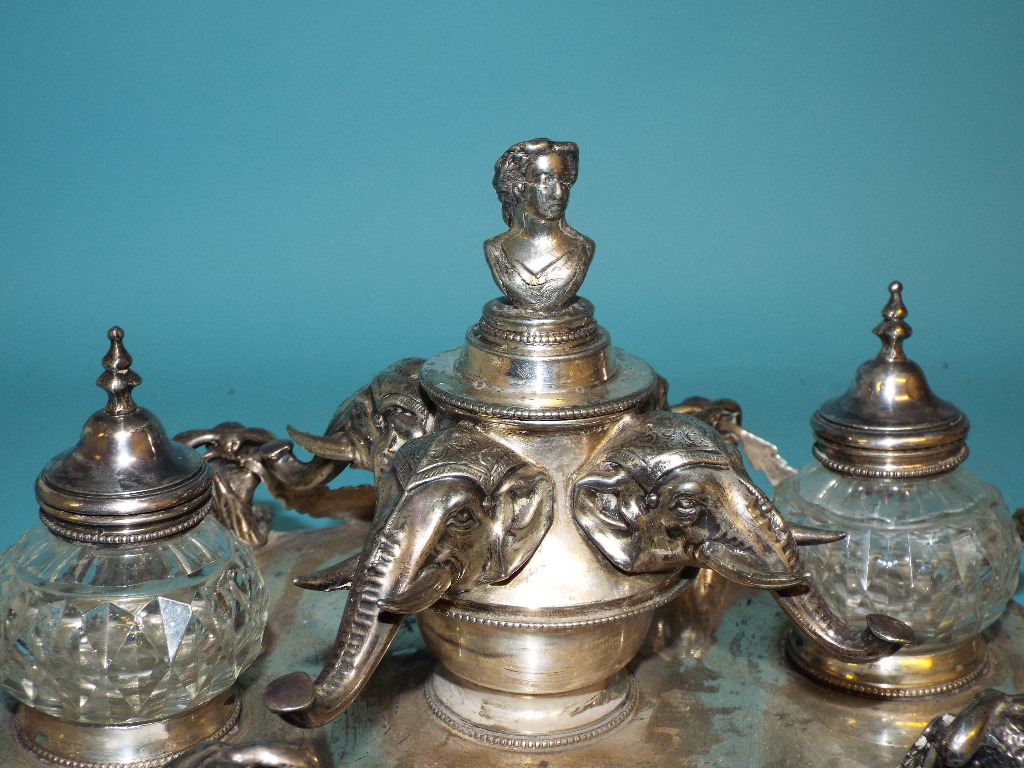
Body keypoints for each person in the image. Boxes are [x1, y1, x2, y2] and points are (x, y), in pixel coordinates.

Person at [485, 138, 595, 312]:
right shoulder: (496, 249)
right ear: (519, 188)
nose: (559, 193)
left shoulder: (583, 248)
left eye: (564, 181)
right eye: (545, 180)